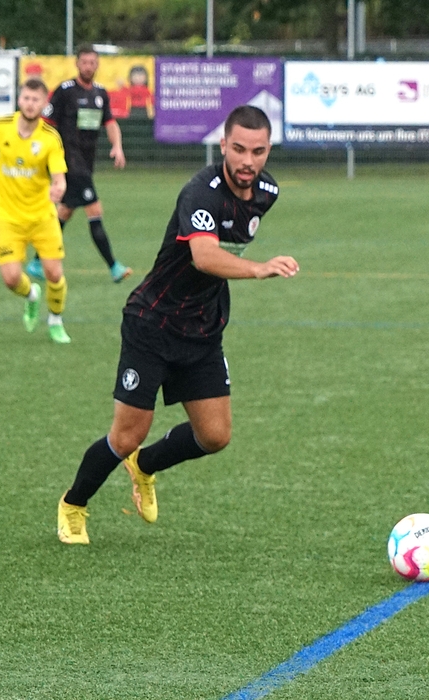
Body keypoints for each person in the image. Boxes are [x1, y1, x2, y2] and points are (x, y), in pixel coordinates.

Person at [57, 105, 299, 545]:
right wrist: (260, 268)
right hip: (153, 323)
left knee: (215, 436)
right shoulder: (200, 193)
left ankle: (145, 466)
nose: (248, 161)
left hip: (203, 328)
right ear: (223, 145)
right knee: (127, 435)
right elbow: (203, 256)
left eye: (258, 151)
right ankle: (74, 504)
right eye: (239, 149)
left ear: (268, 150)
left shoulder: (268, 191)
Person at [0, 78, 73, 345]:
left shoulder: (50, 138)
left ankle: (56, 321)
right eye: (26, 98)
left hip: (42, 217)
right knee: (11, 278)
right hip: (8, 217)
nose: (30, 104)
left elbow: (59, 176)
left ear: (44, 104)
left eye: (35, 100)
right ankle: (31, 296)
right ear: (19, 100)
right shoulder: (0, 127)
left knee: (54, 273)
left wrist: (59, 187)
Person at [29, 45, 132, 285]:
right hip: (69, 162)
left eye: (92, 62)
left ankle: (36, 261)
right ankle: (114, 266)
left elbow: (110, 122)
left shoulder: (100, 93)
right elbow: (47, 122)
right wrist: (45, 152)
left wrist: (117, 146)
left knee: (64, 212)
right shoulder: (65, 91)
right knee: (94, 210)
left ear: (97, 65)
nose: (88, 67)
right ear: (77, 64)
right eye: (84, 62)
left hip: (86, 161)